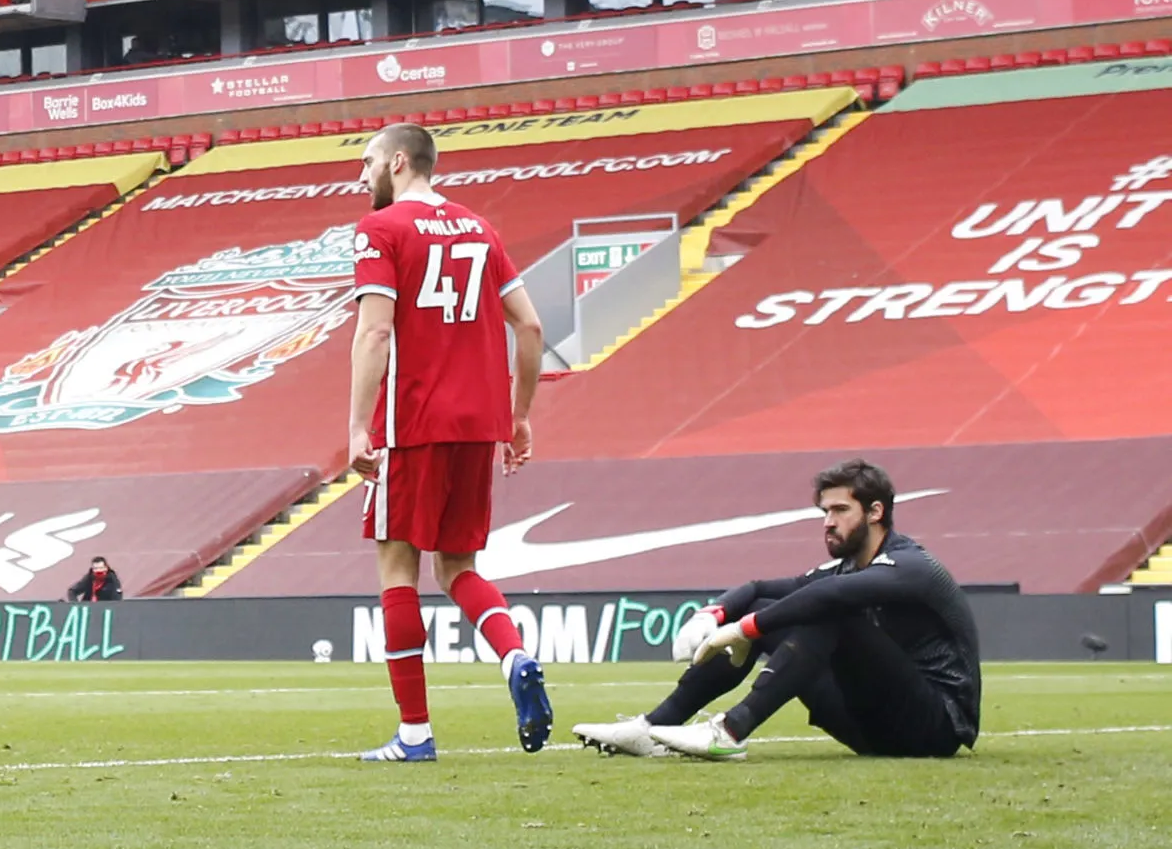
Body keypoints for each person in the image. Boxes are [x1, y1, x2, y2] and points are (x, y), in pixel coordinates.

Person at [348, 122, 552, 762]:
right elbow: (531, 325)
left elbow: (376, 334)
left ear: (399, 162)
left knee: (397, 566)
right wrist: (518, 417)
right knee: (459, 568)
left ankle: (414, 734)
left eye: (368, 162)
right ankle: (514, 655)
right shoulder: (479, 229)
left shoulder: (380, 231)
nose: (361, 177)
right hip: (477, 425)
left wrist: (358, 426)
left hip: (412, 423)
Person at [574, 459, 981, 761]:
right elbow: (759, 589)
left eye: (840, 510)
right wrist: (715, 614)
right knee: (773, 606)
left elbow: (828, 599)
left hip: (935, 727)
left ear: (875, 513)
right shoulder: (843, 567)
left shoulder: (913, 566)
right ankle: (653, 728)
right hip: (868, 728)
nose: (827, 522)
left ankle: (731, 731)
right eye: (824, 512)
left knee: (827, 611)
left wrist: (745, 630)